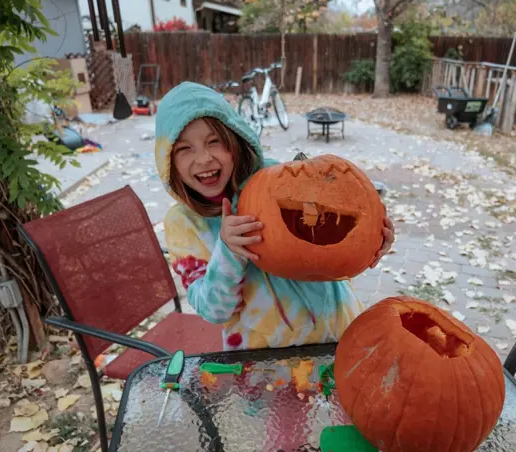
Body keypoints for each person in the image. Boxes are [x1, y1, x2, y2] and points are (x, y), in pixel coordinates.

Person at [155, 82, 394, 351]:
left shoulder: (272, 179)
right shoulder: (183, 225)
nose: (203, 158)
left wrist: (371, 236)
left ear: (235, 142)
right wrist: (230, 252)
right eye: (184, 149)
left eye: (215, 142)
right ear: (169, 161)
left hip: (338, 332)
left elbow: (325, 237)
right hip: (264, 360)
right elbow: (214, 311)